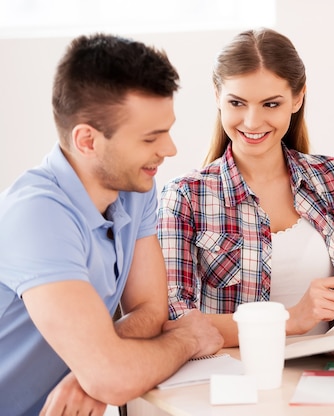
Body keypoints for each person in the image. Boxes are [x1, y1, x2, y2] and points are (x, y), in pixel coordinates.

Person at [157, 28, 334, 359]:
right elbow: (175, 323)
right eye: (237, 102)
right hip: (238, 384)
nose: (252, 121)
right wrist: (290, 319)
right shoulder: (185, 197)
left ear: (297, 98)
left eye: (271, 104)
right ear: (217, 96)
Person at [0, 33, 224, 415]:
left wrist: (96, 362)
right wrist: (187, 340)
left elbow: (150, 309)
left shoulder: (134, 186)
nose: (169, 150)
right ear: (87, 141)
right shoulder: (37, 215)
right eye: (151, 138)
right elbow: (112, 378)